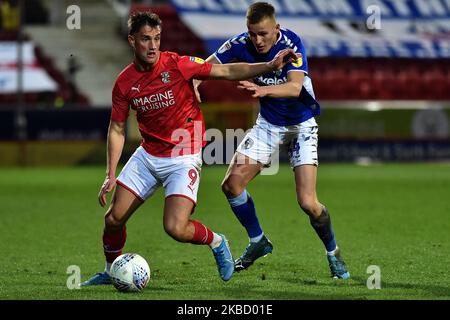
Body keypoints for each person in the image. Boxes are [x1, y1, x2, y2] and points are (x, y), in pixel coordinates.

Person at [80, 11, 298, 286]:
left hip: (183, 157)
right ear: (132, 41)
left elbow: (227, 70)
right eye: (146, 39)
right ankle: (112, 270)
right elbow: (117, 129)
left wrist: (268, 66)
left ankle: (218, 242)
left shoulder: (178, 64)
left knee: (175, 228)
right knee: (113, 219)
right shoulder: (124, 83)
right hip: (148, 155)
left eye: (157, 38)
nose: (153, 45)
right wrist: (110, 174)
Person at [194, 2, 350, 279]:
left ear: (276, 29)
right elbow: (205, 68)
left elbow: (294, 87)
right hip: (269, 125)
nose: (258, 40)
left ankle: (333, 252)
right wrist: (194, 84)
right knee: (232, 185)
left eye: (264, 33)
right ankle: (258, 242)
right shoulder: (239, 44)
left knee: (308, 203)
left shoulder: (291, 44)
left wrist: (262, 90)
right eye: (253, 34)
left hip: (301, 124)